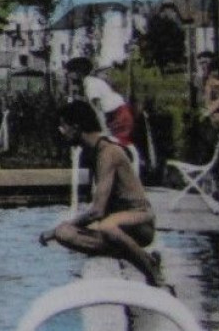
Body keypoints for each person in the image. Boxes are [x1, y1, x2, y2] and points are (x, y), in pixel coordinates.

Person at [40, 99, 164, 289]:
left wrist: (53, 230)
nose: (61, 131)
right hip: (119, 228)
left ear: (76, 127)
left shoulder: (108, 152)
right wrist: (59, 231)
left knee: (104, 226)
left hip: (140, 223)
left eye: (63, 126)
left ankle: (149, 265)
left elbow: (97, 211)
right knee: (64, 233)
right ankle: (135, 254)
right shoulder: (94, 151)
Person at [64, 57, 135, 150]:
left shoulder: (89, 84)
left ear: (78, 73)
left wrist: (104, 130)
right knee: (117, 145)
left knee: (117, 144)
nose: (68, 74)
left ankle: (133, 161)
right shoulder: (90, 81)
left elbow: (98, 109)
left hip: (119, 115)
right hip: (117, 113)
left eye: (70, 72)